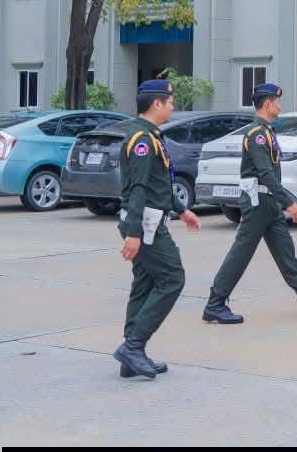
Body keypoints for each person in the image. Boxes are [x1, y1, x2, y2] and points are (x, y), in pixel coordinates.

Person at [203, 83, 297, 324]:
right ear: (267, 104)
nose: (279, 106)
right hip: (258, 203)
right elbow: (265, 173)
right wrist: (289, 203)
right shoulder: (257, 134)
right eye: (277, 101)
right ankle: (215, 303)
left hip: (269, 202)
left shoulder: (266, 131)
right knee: (241, 253)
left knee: (285, 250)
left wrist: (284, 201)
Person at [114, 79, 202, 379]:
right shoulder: (142, 140)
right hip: (145, 224)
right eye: (170, 102)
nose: (173, 107)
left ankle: (131, 356)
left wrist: (182, 210)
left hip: (148, 220)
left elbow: (158, 184)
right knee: (173, 278)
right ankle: (133, 347)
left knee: (145, 283)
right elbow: (138, 188)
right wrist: (133, 233)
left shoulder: (150, 136)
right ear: (157, 103)